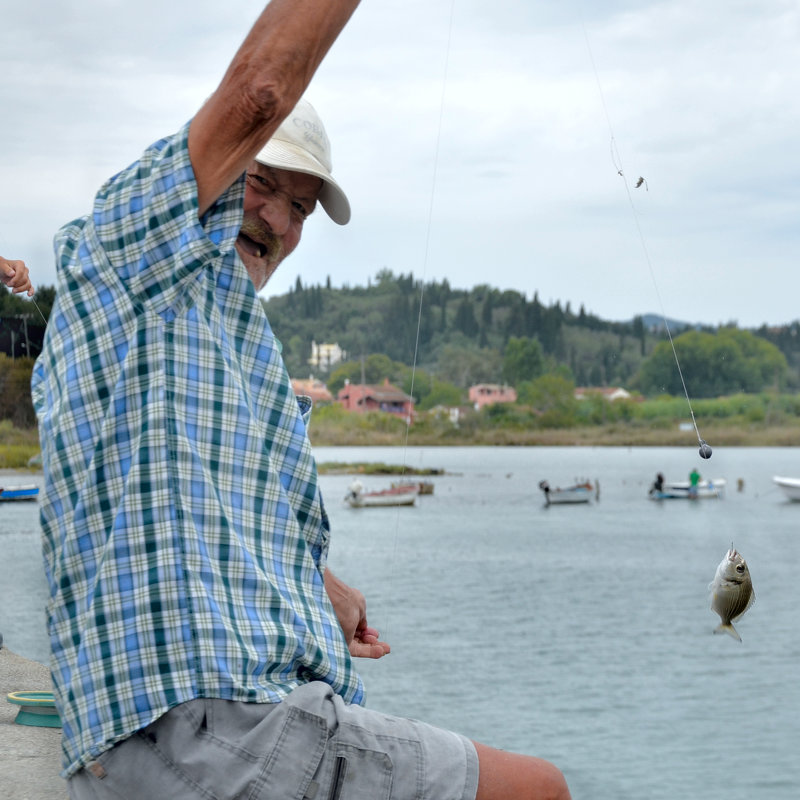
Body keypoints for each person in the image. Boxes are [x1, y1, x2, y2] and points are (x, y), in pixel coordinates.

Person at [31, 2, 571, 799]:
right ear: (216, 179)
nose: (279, 220)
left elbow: (180, 514)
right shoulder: (133, 249)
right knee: (539, 790)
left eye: (303, 206)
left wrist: (325, 593)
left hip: (178, 737)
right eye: (263, 185)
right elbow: (258, 91)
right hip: (204, 728)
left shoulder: (227, 335)